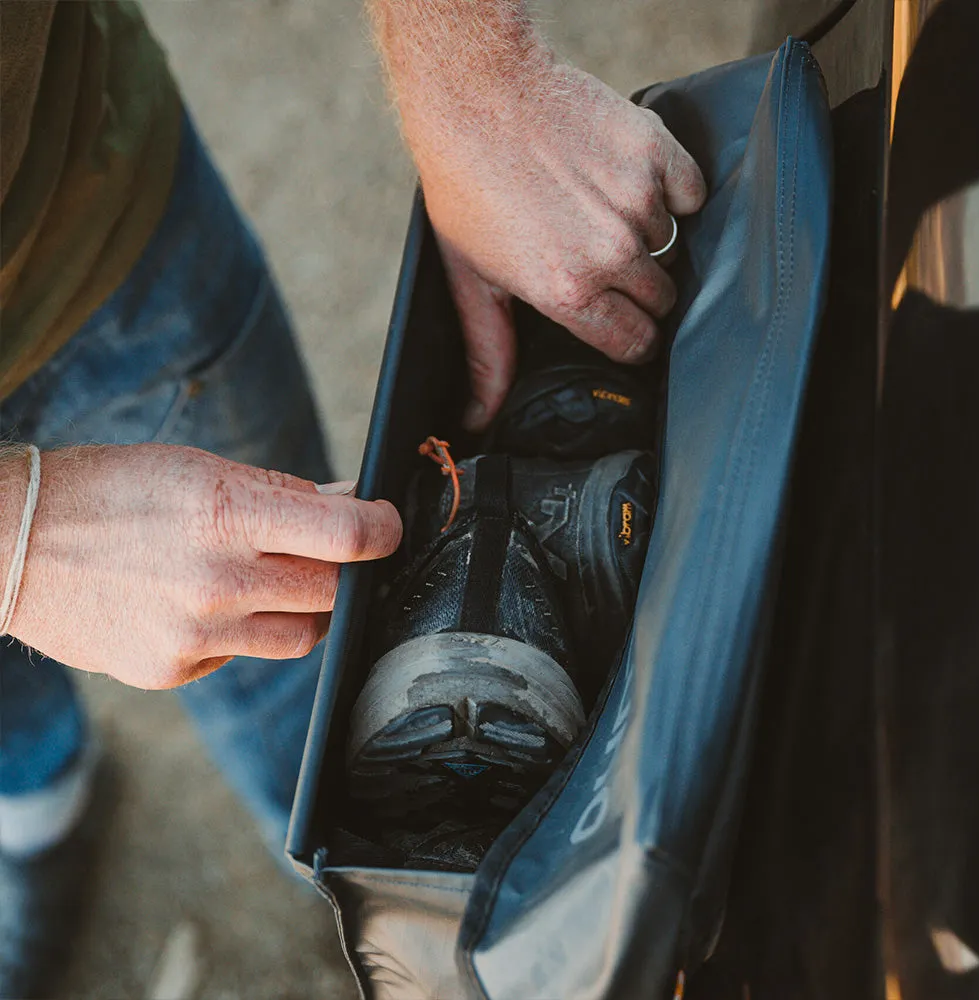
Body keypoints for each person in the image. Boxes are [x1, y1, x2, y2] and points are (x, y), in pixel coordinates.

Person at [0, 1, 704, 995]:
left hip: (84, 224)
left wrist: (468, 70)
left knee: (285, 622)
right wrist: (14, 546)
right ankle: (38, 802)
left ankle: (382, 871)